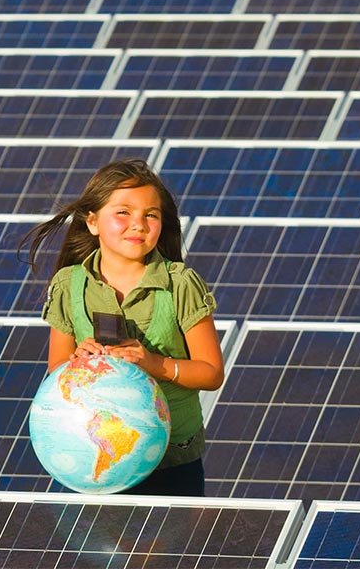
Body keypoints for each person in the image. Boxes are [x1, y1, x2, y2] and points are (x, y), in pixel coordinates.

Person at [21, 157, 224, 496]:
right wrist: (81, 363)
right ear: (92, 222)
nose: (139, 224)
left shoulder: (181, 284)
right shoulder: (69, 285)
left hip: (172, 461)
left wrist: (153, 364)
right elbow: (57, 369)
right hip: (92, 458)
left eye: (151, 215)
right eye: (123, 213)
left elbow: (211, 372)